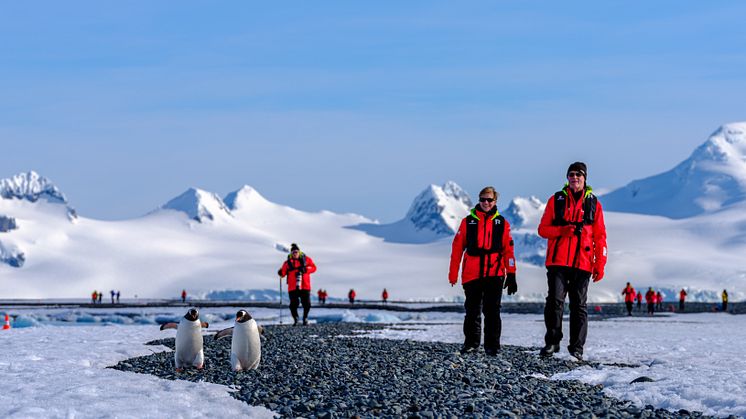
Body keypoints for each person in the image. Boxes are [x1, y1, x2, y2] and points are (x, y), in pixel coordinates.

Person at [537, 162, 607, 361]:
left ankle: (576, 348)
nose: (574, 178)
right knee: (554, 302)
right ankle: (552, 342)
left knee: (579, 306)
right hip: (558, 261)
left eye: (578, 174)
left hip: (583, 263)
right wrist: (562, 230)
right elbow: (542, 230)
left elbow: (600, 237)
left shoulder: (594, 204)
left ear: (585, 178)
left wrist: (599, 264)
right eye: (571, 174)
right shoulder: (556, 200)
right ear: (567, 178)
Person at [449, 186, 517, 356]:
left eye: (489, 200)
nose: (485, 203)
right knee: (472, 310)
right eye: (482, 199)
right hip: (472, 273)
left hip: (494, 273)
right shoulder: (467, 222)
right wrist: (453, 273)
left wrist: (512, 273)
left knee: (492, 311)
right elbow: (457, 249)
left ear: (495, 201)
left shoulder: (502, 223)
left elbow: (508, 250)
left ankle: (492, 346)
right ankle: (471, 343)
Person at [278, 243, 317, 325]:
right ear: (291, 253)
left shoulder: (306, 260)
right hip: (292, 287)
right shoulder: (287, 263)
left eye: (296, 251)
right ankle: (296, 318)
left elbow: (314, 268)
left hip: (305, 286)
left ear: (299, 252)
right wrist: (280, 273)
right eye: (293, 252)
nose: (295, 253)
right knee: (293, 305)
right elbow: (283, 273)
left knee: (307, 304)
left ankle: (305, 318)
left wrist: (306, 269)